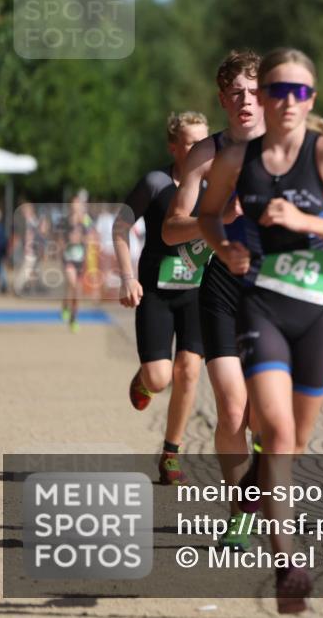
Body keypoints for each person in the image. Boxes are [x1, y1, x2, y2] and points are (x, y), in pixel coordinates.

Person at [198, 47, 323, 613]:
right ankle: (289, 565)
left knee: (295, 441)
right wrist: (224, 247)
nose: (286, 101)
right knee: (276, 432)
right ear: (264, 96)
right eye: (277, 90)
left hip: (318, 310)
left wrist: (305, 220)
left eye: (298, 92)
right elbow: (208, 213)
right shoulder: (238, 158)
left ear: (311, 99)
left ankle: (257, 479)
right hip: (262, 305)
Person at [162, 50, 265, 551]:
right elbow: (171, 228)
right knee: (231, 410)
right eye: (236, 93)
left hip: (275, 289)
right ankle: (240, 514)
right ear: (223, 100)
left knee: (265, 417)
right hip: (222, 286)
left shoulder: (294, 147)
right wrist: (217, 218)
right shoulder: (206, 152)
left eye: (254, 91)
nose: (246, 100)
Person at [113, 111, 210, 485]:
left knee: (189, 371)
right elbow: (121, 228)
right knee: (159, 378)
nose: (200, 149)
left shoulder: (216, 185)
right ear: (174, 147)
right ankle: (144, 380)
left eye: (205, 142)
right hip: (155, 290)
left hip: (198, 292)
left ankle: (171, 452)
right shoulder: (155, 183)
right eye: (191, 143)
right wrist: (127, 278)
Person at [60, 196, 92, 330]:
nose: (76, 207)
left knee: (76, 290)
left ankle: (73, 317)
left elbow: (90, 238)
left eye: (78, 204)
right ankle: (66, 307)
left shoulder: (86, 220)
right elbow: (60, 241)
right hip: (68, 258)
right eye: (74, 204)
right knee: (72, 284)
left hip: (80, 258)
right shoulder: (65, 221)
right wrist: (69, 242)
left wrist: (81, 239)